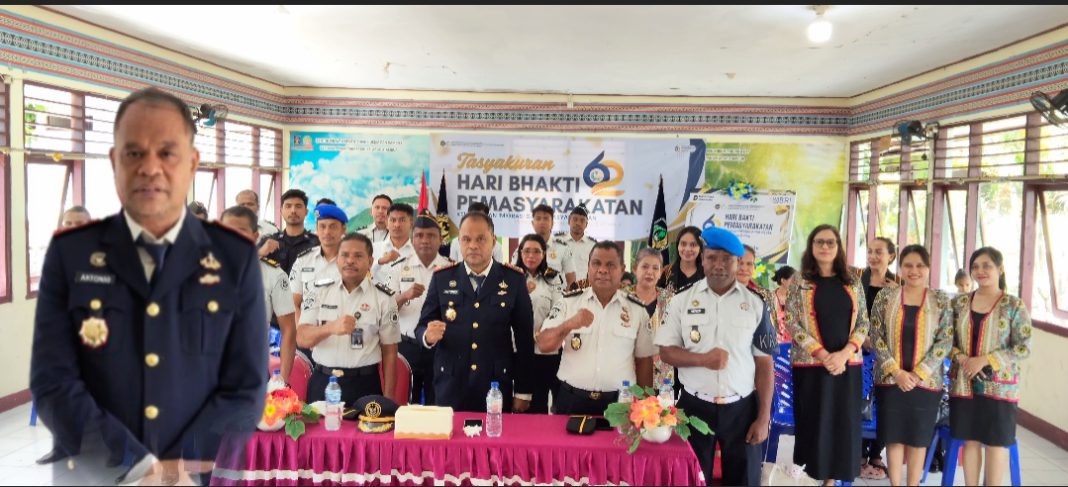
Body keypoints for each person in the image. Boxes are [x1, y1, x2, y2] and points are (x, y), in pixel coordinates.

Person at [30, 87, 267, 485]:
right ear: (114, 161)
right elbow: (52, 378)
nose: (150, 168)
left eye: (167, 153)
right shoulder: (71, 254)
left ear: (192, 163)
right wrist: (137, 461)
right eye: (134, 153)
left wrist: (182, 458)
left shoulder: (233, 258)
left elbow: (247, 380)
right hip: (98, 469)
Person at [656, 226, 776, 486]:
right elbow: (666, 351)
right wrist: (703, 360)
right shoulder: (681, 301)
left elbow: (765, 363)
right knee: (691, 479)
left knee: (744, 480)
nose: (719, 265)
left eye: (726, 259)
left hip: (742, 409)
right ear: (703, 259)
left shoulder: (756, 304)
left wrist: (763, 417)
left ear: (737, 262)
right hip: (694, 407)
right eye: (712, 258)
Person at [415, 211, 535, 412]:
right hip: (450, 385)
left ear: (493, 241)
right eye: (466, 239)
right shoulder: (442, 278)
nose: (472, 245)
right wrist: (427, 336)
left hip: (495, 386)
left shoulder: (513, 279)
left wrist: (523, 391)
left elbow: (524, 339)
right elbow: (421, 327)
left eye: (481, 239)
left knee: (494, 433)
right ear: (458, 242)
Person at [785, 224, 870, 485]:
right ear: (811, 247)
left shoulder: (852, 281)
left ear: (838, 247)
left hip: (847, 366)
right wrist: (823, 355)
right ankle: (813, 477)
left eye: (830, 242)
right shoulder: (800, 281)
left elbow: (863, 323)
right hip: (811, 367)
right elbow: (791, 321)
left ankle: (832, 481)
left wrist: (844, 354)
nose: (825, 247)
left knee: (842, 424)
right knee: (814, 423)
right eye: (819, 242)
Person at [538, 241, 655, 415]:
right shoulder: (568, 303)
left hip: (621, 403)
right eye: (596, 263)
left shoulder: (637, 310)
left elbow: (644, 360)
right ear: (588, 267)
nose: (602, 270)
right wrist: (570, 324)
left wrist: (646, 407)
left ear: (622, 269)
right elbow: (543, 344)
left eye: (610, 265)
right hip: (572, 401)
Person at [869, 245, 953, 487]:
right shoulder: (886, 297)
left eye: (920, 265)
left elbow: (945, 340)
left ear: (928, 268)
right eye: (908, 265)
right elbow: (876, 335)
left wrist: (917, 374)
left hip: (926, 383)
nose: (914, 270)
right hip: (890, 381)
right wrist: (896, 372)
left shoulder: (941, 300)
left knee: (918, 439)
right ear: (900, 268)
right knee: (894, 437)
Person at [950, 247, 1031, 486]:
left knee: (997, 443)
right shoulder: (959, 303)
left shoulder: (1013, 305)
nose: (980, 271)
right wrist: (962, 359)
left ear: (1000, 269)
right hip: (964, 384)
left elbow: (1023, 347)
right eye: (975, 267)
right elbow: (946, 341)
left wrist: (985, 360)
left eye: (987, 266)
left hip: (1001, 388)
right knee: (970, 441)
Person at [297, 233, 400, 406]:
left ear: (370, 261)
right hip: (324, 382)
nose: (350, 261)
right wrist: (330, 328)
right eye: (344, 255)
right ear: (337, 260)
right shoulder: (318, 291)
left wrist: (388, 400)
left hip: (365, 384)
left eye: (358, 256)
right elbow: (301, 338)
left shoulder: (384, 298)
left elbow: (390, 351)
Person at [221, 206, 298, 381]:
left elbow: (289, 331)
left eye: (241, 231)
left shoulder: (273, 275)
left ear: (255, 236)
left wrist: (282, 381)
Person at [385, 212, 453, 405]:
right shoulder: (398, 267)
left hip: (440, 347)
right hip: (407, 346)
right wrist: (404, 296)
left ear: (440, 239)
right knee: (405, 404)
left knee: (438, 403)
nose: (425, 240)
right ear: (412, 239)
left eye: (431, 235)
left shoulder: (450, 269)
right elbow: (386, 311)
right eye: (419, 235)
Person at [859, 236, 900, 480]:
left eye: (879, 252)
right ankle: (858, 453)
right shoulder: (857, 280)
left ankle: (876, 453)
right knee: (860, 403)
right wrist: (862, 338)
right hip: (858, 350)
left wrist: (897, 295)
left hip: (886, 356)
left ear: (891, 256)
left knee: (883, 404)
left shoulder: (898, 286)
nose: (873, 256)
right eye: (870, 251)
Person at [514, 233, 565, 414]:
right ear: (520, 253)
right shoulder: (510, 276)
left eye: (536, 251)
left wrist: (542, 333)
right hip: (515, 350)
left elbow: (558, 310)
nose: (531, 255)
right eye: (527, 251)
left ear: (544, 254)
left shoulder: (553, 278)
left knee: (538, 403)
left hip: (543, 352)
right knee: (514, 405)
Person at [290, 204, 346, 324]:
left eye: (333, 227)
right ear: (317, 229)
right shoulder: (303, 260)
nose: (327, 232)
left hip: (342, 330)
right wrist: (300, 330)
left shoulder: (352, 261)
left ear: (343, 229)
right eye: (322, 226)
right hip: (308, 332)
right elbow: (293, 303)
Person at [629, 247, 674, 386]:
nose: (650, 272)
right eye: (645, 266)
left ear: (661, 272)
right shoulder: (622, 297)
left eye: (655, 268)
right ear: (635, 268)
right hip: (628, 376)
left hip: (661, 378)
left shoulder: (670, 300)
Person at [510, 204, 577, 289]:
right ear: (533, 223)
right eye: (538, 218)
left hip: (554, 296)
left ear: (552, 223)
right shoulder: (523, 248)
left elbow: (571, 279)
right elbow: (513, 276)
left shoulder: (563, 248)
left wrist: (565, 297)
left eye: (546, 218)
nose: (542, 222)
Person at [258, 188, 320, 275]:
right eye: (288, 206)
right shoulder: (268, 242)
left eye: (298, 206)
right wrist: (260, 253)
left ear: (306, 212)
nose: (293, 211)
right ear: (281, 211)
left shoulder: (317, 243)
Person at [737, 245, 782, 347]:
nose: (744, 268)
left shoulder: (765, 295)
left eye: (749, 264)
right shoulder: (719, 292)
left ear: (754, 267)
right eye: (739, 263)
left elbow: (772, 329)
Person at [371, 203, 416, 283]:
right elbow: (361, 274)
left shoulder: (419, 252)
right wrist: (380, 261)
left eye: (402, 220)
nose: (397, 225)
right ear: (386, 223)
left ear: (411, 223)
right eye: (393, 220)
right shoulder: (373, 248)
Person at [561, 205, 597, 282]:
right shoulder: (558, 242)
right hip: (560, 288)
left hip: (583, 288)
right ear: (569, 221)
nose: (578, 223)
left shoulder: (593, 246)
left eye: (582, 220)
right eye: (575, 219)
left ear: (586, 224)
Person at [663, 226, 704, 292]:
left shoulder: (708, 275)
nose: (687, 249)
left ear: (700, 248)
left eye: (693, 245)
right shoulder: (666, 272)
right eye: (683, 244)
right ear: (678, 246)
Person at [772, 265, 797, 343]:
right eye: (793, 280)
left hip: (795, 339)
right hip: (776, 340)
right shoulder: (771, 297)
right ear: (783, 280)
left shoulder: (797, 297)